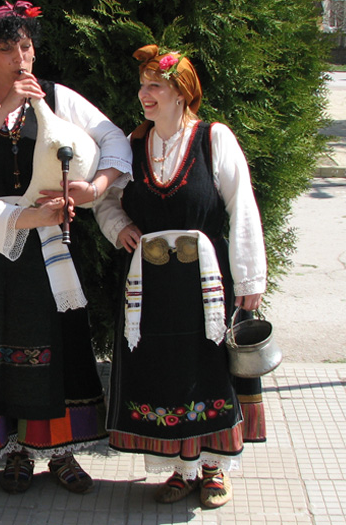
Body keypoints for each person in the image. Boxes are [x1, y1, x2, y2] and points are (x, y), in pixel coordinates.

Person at [0, 0, 133, 495]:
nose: (21, 58)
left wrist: (94, 188)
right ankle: (14, 452)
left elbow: (114, 138)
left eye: (26, 46)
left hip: (47, 243)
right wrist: (4, 107)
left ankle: (59, 451)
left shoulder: (57, 96)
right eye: (7, 49)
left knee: (53, 340)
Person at [94, 44, 267, 508]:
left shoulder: (213, 138)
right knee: (162, 368)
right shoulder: (131, 146)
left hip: (203, 284)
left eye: (156, 86)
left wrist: (250, 281)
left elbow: (242, 206)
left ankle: (212, 468)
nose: (144, 94)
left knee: (206, 368)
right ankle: (179, 466)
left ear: (181, 94)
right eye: (143, 85)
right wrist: (120, 227)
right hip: (148, 286)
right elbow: (104, 199)